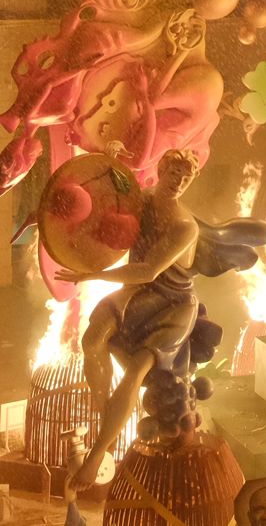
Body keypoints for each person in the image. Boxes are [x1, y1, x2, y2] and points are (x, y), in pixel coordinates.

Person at [56, 149, 205, 493]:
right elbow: (107, 194)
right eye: (173, 175)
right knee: (92, 340)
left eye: (186, 179)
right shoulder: (143, 199)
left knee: (137, 369)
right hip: (137, 293)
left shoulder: (185, 226)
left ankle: (97, 453)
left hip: (173, 304)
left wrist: (90, 274)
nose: (179, 184)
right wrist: (111, 159)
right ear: (160, 169)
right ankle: (105, 416)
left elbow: (148, 269)